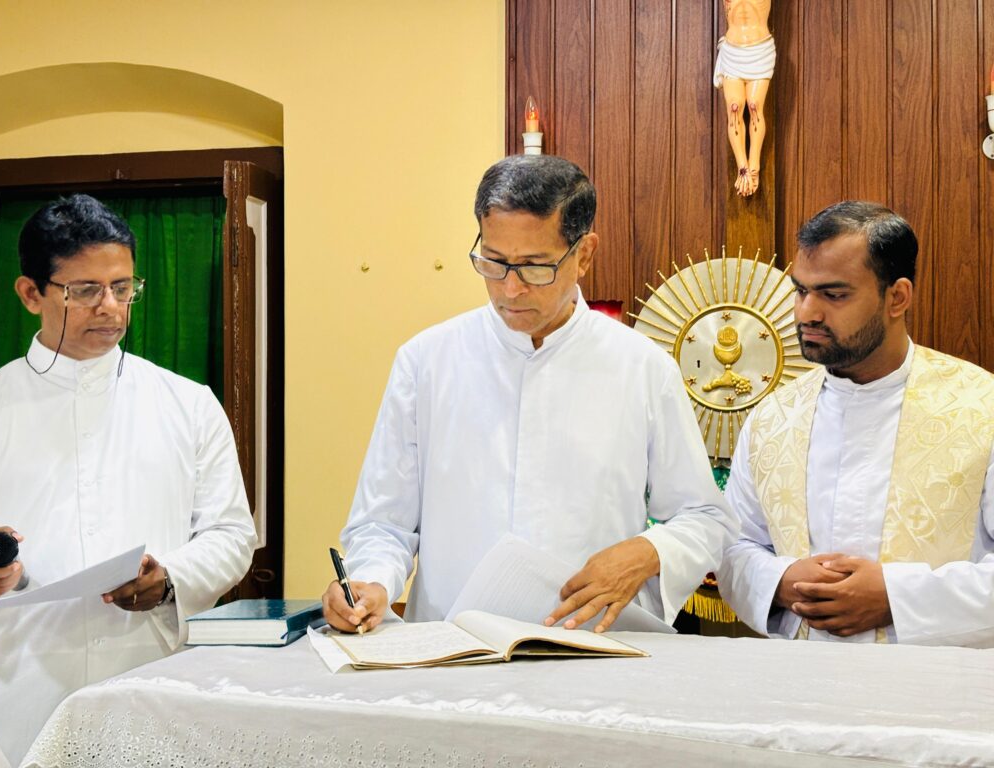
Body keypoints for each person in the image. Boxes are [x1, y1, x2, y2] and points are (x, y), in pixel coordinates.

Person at [323, 155, 736, 634]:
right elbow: (383, 522)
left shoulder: (643, 368)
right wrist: (370, 583)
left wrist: (647, 552)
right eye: (493, 262)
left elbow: (704, 518)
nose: (510, 289)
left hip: (590, 647)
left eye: (535, 267)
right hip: (452, 647)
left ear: (584, 254)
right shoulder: (426, 361)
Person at [0, 195, 257, 764]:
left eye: (123, 288)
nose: (110, 308)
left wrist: (170, 578)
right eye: (85, 291)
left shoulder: (188, 405)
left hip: (150, 679)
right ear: (30, 294)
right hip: (10, 687)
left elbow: (231, 535)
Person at [717, 201, 994, 646]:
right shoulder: (774, 418)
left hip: (933, 681)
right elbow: (733, 545)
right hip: (798, 677)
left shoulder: (982, 409)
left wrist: (895, 597)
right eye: (801, 290)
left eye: (833, 294)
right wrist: (782, 580)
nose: (807, 313)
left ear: (897, 297)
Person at [713, 0, 774, 197]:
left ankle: (754, 165)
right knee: (734, 107)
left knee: (755, 106)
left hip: (760, 49)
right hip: (733, 50)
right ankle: (743, 167)